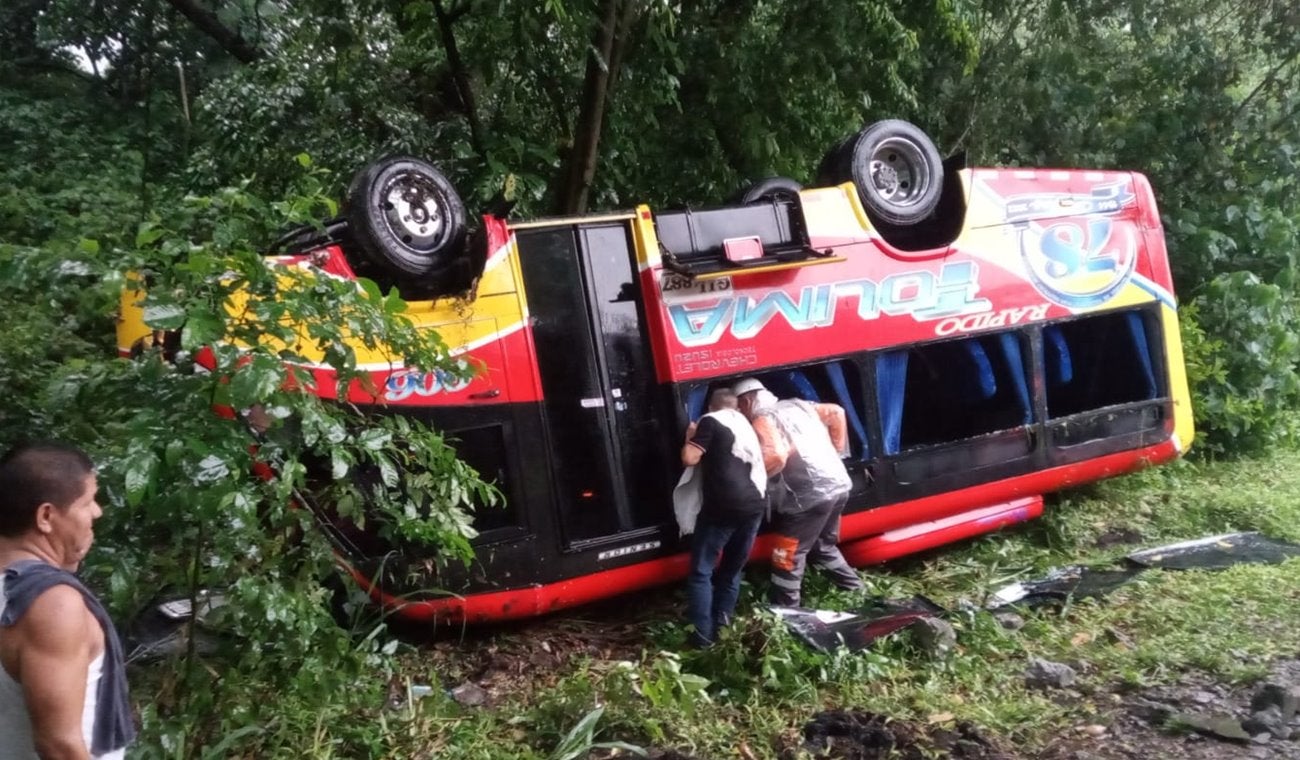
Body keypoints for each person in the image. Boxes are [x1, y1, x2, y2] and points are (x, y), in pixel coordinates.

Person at [0, 442, 134, 760]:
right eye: (87, 501)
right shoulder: (52, 604)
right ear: (46, 516)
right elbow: (58, 746)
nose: (97, 512)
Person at [732, 378, 865, 607]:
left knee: (787, 554)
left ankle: (787, 609)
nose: (740, 413)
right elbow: (836, 412)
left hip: (808, 497)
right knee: (822, 546)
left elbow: (776, 455)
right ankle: (856, 590)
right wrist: (836, 452)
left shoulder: (762, 419)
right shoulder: (797, 405)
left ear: (746, 401)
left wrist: (751, 480)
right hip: (838, 484)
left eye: (739, 408)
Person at [678, 388, 767, 647]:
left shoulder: (710, 421)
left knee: (700, 572)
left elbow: (689, 458)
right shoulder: (744, 423)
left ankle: (702, 640)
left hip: (724, 506)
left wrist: (690, 437)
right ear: (736, 406)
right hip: (755, 504)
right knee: (731, 571)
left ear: (710, 406)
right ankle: (724, 630)